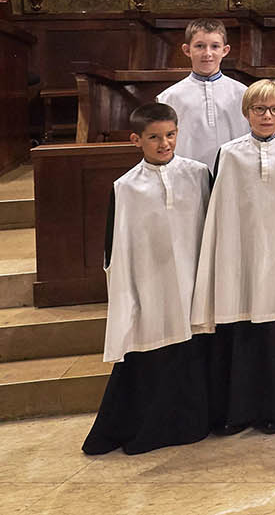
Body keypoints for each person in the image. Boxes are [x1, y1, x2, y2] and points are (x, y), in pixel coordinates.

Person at [83, 103, 213, 455]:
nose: (164, 143)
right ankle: (147, 427)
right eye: (154, 137)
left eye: (170, 135)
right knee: (153, 351)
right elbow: (117, 244)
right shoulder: (125, 187)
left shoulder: (199, 174)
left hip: (192, 280)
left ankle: (193, 424)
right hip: (151, 285)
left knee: (191, 349)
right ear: (136, 139)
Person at [191, 79, 275, 435]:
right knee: (243, 333)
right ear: (246, 112)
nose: (266, 116)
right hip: (242, 255)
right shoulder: (229, 153)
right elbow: (222, 209)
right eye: (259, 109)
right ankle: (240, 411)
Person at [158, 18, 248, 165]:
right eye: (200, 46)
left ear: (225, 50)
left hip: (232, 172)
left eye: (215, 46)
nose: (207, 53)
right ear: (187, 50)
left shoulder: (243, 93)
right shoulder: (168, 97)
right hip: (187, 175)